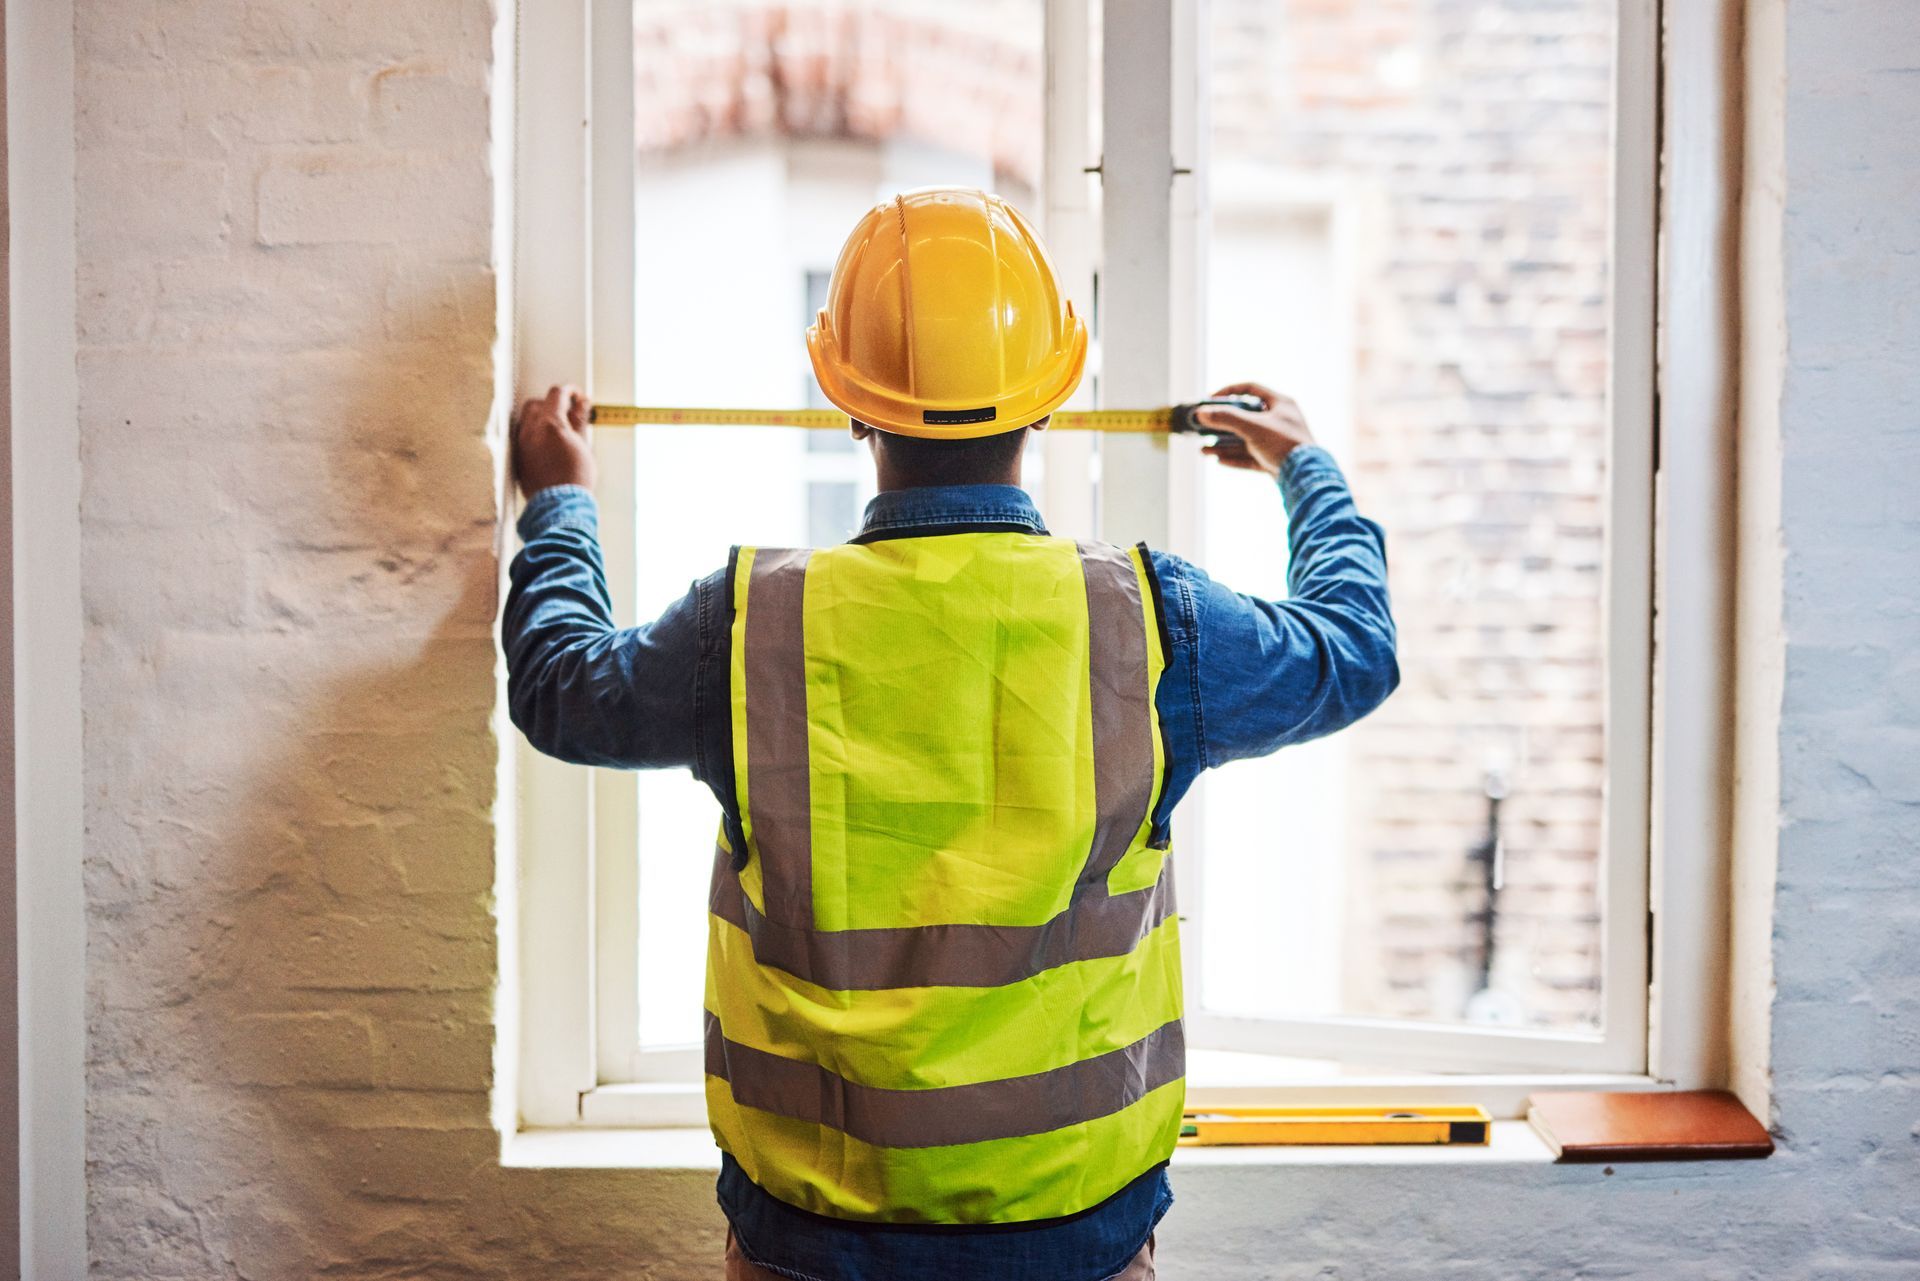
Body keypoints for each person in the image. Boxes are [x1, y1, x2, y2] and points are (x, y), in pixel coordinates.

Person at [505, 186, 1398, 1281]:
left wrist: (558, 500)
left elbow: (560, 691)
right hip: (1074, 1235)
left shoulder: (749, 627)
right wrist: (1304, 469)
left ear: (846, 402)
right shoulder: (1148, 623)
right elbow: (1354, 651)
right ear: (1051, 404)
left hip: (813, 1241)